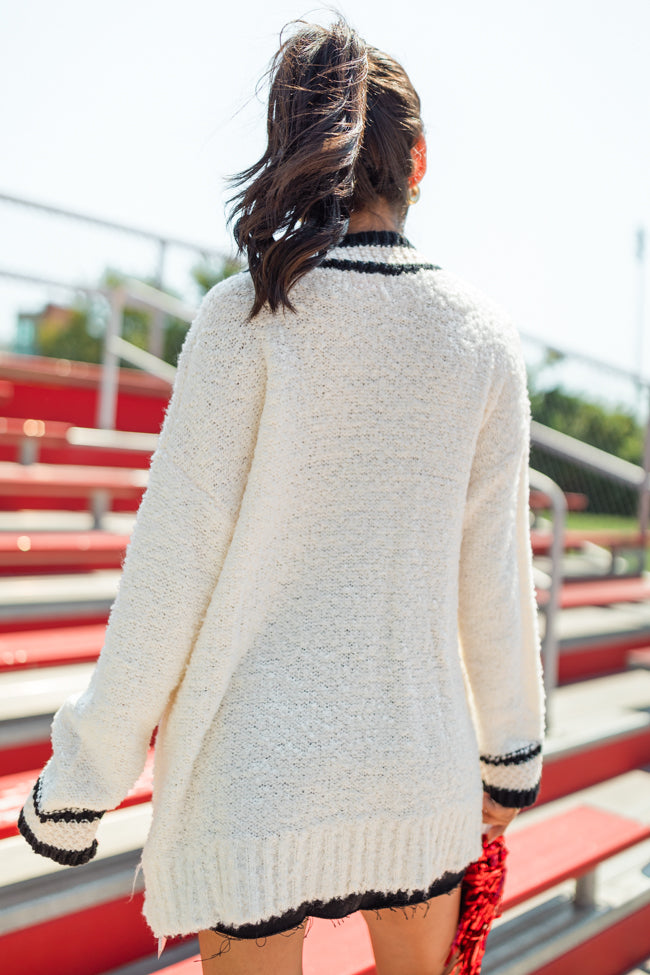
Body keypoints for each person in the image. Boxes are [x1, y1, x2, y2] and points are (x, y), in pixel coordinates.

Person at [18, 17, 545, 975]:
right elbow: (495, 577)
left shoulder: (245, 315)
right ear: (419, 159)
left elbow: (168, 574)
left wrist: (80, 786)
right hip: (414, 771)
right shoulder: (481, 338)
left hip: (250, 779)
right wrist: (511, 750)